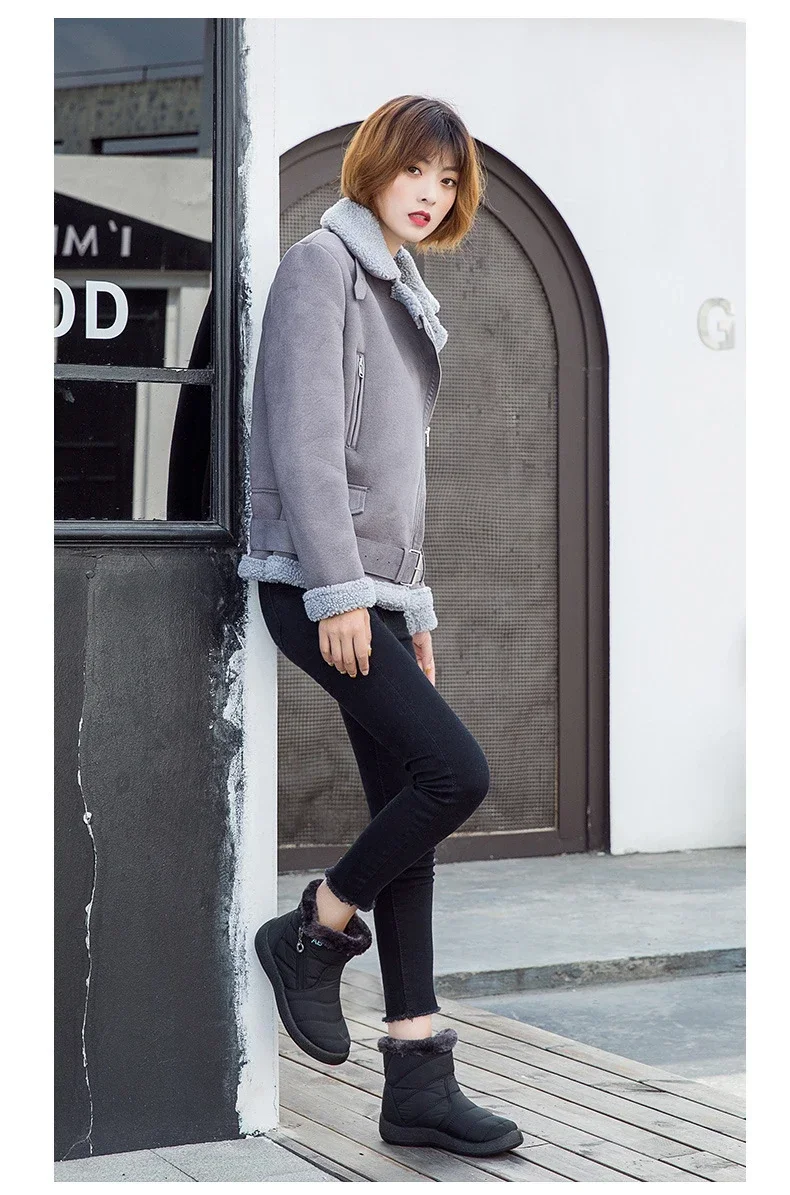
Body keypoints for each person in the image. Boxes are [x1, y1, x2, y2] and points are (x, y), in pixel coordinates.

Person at [237, 95, 523, 1158]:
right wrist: (341, 592)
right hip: (316, 581)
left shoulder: (398, 287)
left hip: (376, 592)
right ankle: (314, 926)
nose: (431, 194)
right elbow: (309, 447)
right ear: (374, 166)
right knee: (455, 775)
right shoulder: (323, 267)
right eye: (416, 170)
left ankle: (417, 1078)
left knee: (414, 816)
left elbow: (398, 484)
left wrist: (413, 603)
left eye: (448, 181)